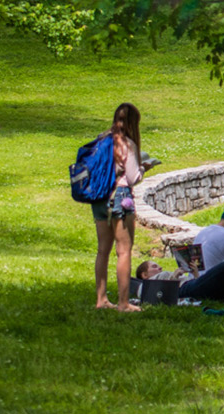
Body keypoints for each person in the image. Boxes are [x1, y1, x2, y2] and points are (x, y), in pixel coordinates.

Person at [92, 103, 146, 312]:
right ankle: (123, 303)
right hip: (120, 197)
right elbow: (132, 177)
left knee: (102, 250)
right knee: (123, 251)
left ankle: (101, 299)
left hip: (99, 197)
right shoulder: (127, 144)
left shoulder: (102, 139)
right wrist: (144, 168)